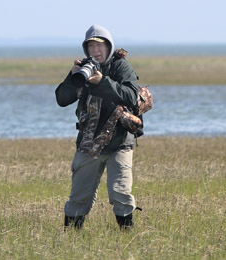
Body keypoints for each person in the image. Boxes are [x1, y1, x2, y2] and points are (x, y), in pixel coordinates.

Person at [55, 24, 141, 231]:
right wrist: (74, 77)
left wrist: (102, 81)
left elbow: (131, 96)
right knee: (78, 196)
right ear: (86, 49)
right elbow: (61, 99)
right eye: (91, 46)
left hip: (119, 142)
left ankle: (127, 237)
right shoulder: (83, 68)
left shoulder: (121, 67)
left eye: (100, 46)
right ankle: (71, 240)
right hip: (88, 143)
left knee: (120, 194)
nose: (95, 51)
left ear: (109, 46)